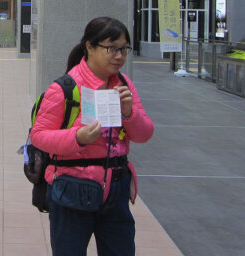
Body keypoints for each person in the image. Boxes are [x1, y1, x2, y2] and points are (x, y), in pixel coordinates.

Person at [30, 16, 154, 256]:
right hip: (72, 189)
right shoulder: (65, 88)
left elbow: (144, 134)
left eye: (123, 49)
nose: (119, 56)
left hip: (116, 188)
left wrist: (129, 114)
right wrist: (77, 137)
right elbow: (39, 135)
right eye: (111, 48)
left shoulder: (124, 85)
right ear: (90, 47)